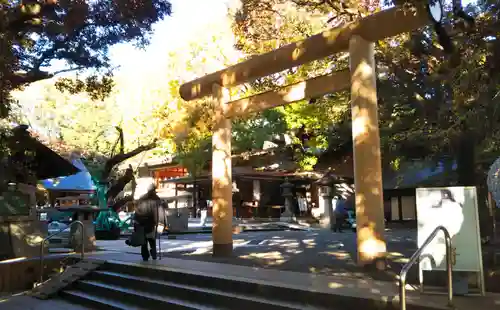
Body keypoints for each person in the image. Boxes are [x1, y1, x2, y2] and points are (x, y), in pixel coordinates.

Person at [133, 179, 165, 261]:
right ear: (154, 190)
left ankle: (145, 256)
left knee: (144, 242)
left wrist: (135, 222)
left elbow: (137, 212)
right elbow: (160, 213)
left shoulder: (141, 199)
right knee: (152, 241)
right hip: (151, 224)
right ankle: (153, 254)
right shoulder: (156, 199)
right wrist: (161, 224)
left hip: (141, 224)